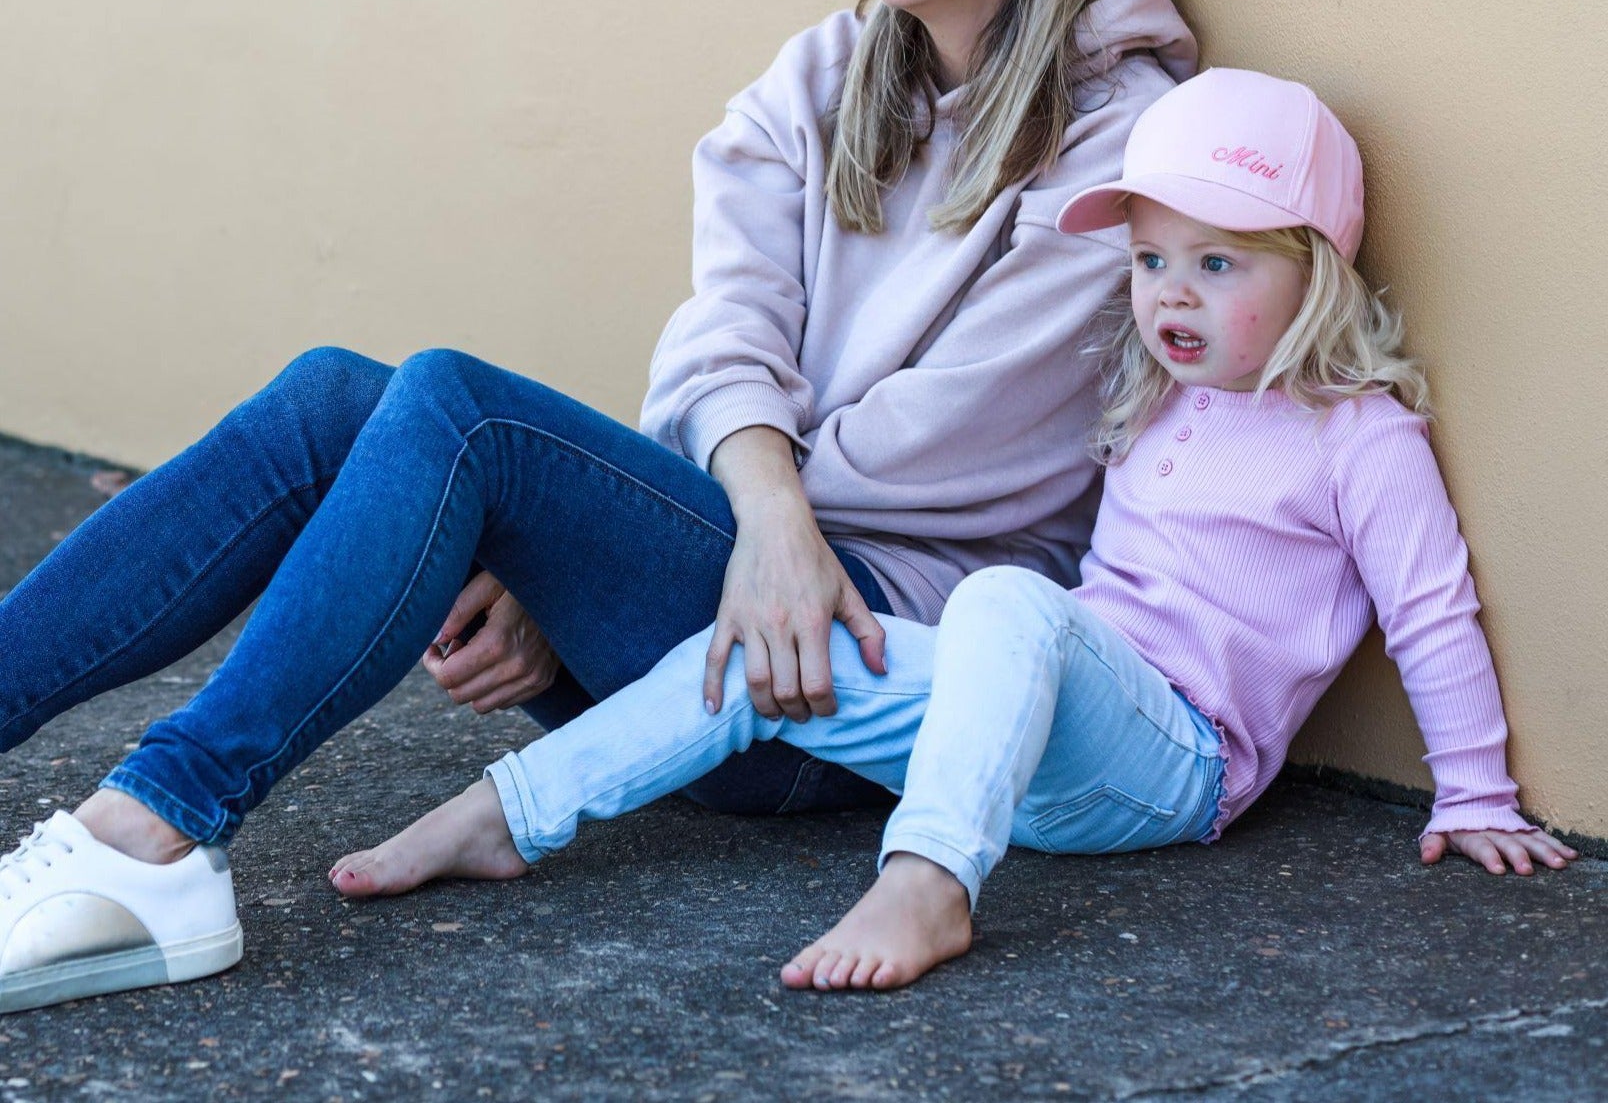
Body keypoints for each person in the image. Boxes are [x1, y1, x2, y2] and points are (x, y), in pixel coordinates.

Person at [0, 0, 1198, 1014]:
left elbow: (958, 450)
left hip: (843, 674)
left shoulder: (1124, 152)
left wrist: (607, 535)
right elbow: (721, 336)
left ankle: (152, 832)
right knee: (337, 398)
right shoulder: (825, 78)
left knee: (466, 415)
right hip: (750, 580)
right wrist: (583, 558)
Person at [327, 68, 1577, 992]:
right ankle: (513, 809)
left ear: (1316, 269)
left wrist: (1474, 790)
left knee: (1007, 603)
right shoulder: (1157, 399)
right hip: (1030, 726)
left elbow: (1430, 606)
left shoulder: (1360, 436)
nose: (1171, 296)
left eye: (1219, 265)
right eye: (1150, 263)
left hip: (1177, 764)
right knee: (776, 640)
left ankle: (927, 882)